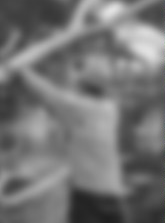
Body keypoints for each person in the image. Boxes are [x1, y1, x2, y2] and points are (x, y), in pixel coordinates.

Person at [19, 54, 128, 223]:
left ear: (83, 83)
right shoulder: (110, 109)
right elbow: (68, 96)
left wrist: (20, 70)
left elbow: (48, 94)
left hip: (88, 195)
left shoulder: (78, 108)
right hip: (113, 194)